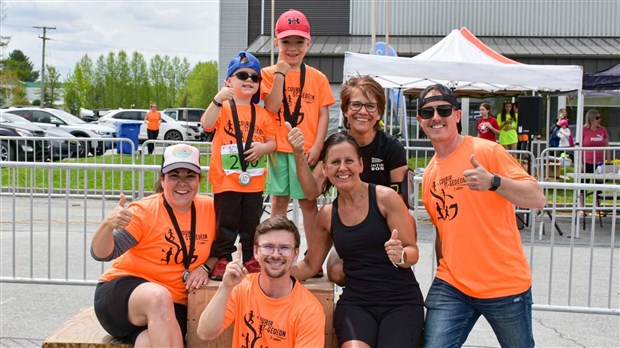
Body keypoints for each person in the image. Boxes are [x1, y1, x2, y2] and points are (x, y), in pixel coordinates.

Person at [416, 84, 546, 347]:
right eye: (428, 113)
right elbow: (444, 231)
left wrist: (494, 182)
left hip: (504, 285)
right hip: (453, 285)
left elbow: (536, 198)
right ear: (420, 121)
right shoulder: (429, 174)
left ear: (457, 115)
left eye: (443, 110)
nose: (436, 117)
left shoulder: (486, 151)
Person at [290, 132, 424, 347]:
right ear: (325, 169)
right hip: (357, 303)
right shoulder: (326, 215)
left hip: (400, 301)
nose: (343, 168)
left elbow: (412, 251)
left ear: (361, 165)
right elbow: (309, 265)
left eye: (349, 161)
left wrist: (401, 255)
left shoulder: (385, 198)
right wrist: (266, 272)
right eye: (335, 162)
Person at [91, 144, 216, 346]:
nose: (182, 183)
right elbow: (102, 253)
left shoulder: (210, 209)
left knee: (149, 342)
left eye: (190, 176)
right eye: (174, 176)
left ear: (198, 180)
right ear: (162, 179)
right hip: (125, 297)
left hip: (175, 306)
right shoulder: (145, 211)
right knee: (158, 297)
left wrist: (205, 267)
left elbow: (224, 248)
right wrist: (107, 226)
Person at [289, 75, 409, 286]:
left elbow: (402, 202)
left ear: (379, 112)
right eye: (356, 105)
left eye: (370, 106)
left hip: (382, 230)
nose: (363, 112)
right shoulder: (336, 144)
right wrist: (299, 156)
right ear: (345, 110)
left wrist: (403, 246)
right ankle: (357, 300)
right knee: (336, 271)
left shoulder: (392, 148)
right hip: (350, 229)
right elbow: (311, 191)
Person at [261, 9, 335, 251]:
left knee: (308, 203)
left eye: (299, 42)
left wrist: (318, 146)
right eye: (286, 42)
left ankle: (313, 255)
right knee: (279, 201)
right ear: (276, 42)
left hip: (306, 151)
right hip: (279, 149)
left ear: (308, 42)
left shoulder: (318, 78)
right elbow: (271, 106)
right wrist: (281, 73)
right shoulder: (268, 75)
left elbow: (324, 113)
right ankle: (275, 250)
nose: (292, 48)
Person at [201, 51, 277, 281]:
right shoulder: (223, 108)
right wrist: (217, 99)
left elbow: (273, 142)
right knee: (225, 223)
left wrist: (263, 148)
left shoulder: (262, 114)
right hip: (226, 181)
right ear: (229, 81)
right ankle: (223, 258)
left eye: (255, 78)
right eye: (242, 75)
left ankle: (250, 258)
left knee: (251, 224)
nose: (249, 80)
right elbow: (206, 124)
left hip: (253, 183)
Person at [196, 216, 326, 347]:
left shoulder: (309, 310)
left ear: (296, 253)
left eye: (284, 248)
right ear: (255, 252)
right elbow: (205, 333)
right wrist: (225, 287)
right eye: (268, 247)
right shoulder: (242, 287)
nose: (275, 254)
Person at [579, 109, 610, 216]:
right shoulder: (583, 130)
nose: (599, 120)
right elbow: (579, 146)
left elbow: (607, 145)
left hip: (599, 162)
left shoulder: (602, 130)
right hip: (586, 161)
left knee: (598, 185)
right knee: (584, 184)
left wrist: (608, 160)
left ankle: (598, 206)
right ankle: (582, 207)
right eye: (597, 118)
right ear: (591, 118)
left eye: (600, 117)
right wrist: (580, 162)